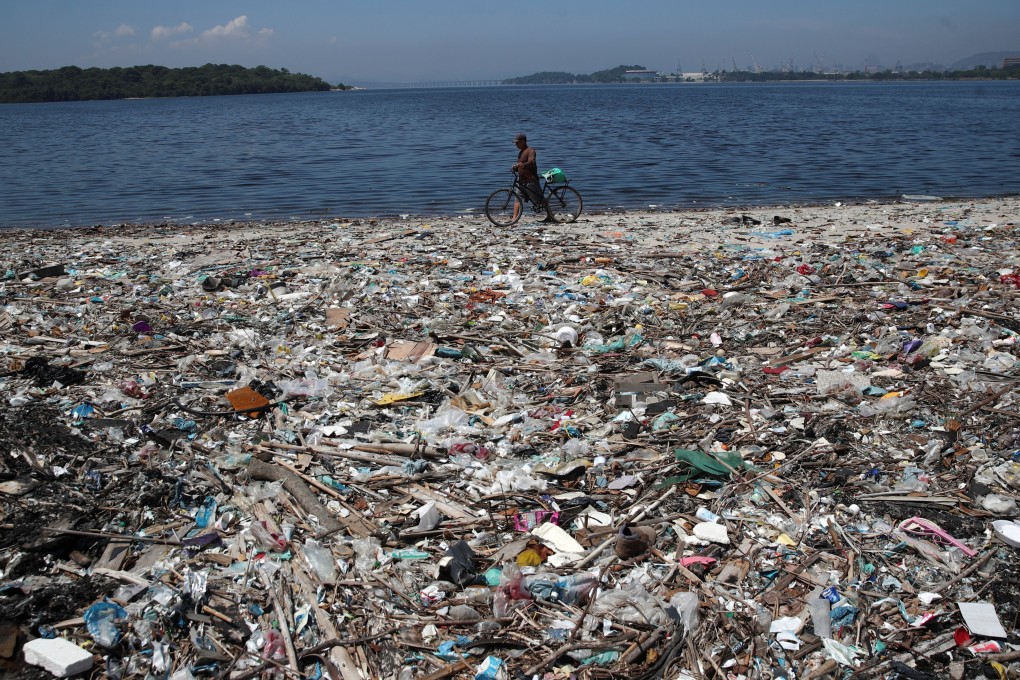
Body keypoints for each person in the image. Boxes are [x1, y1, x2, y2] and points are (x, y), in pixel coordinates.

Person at [512, 134, 549, 217]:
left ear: (523, 141)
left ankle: (550, 215)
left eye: (517, 143)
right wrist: (515, 168)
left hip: (530, 180)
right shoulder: (520, 152)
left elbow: (532, 161)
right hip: (521, 180)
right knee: (517, 199)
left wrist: (523, 165)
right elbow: (520, 165)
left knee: (539, 200)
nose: (516, 144)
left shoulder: (530, 150)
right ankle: (514, 219)